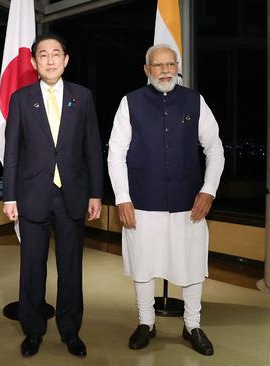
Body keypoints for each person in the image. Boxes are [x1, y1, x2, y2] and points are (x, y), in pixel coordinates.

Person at [107, 44, 225, 356]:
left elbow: (214, 147)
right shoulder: (129, 102)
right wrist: (122, 198)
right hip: (141, 202)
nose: (165, 70)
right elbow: (115, 153)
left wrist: (208, 190)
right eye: (158, 65)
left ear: (177, 67)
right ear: (147, 70)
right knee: (143, 266)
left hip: (190, 203)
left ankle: (192, 325)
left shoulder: (194, 100)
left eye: (170, 64)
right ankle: (146, 322)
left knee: (192, 264)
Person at [2, 34, 103, 358]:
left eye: (55, 54)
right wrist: (9, 197)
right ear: (33, 62)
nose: (49, 60)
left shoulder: (82, 97)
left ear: (66, 59)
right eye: (42, 55)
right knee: (32, 268)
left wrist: (96, 194)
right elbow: (13, 152)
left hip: (72, 196)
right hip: (32, 195)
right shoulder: (21, 98)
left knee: (71, 269)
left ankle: (70, 330)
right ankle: (33, 330)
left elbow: (92, 149)